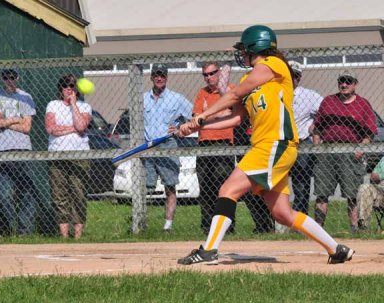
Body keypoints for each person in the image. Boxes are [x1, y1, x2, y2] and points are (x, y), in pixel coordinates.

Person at [175, 24, 354, 265]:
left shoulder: (274, 65)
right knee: (282, 213)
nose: (242, 54)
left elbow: (232, 96)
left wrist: (203, 116)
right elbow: (237, 118)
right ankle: (336, 249)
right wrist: (198, 126)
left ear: (256, 47)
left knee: (228, 190)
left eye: (245, 49)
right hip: (265, 147)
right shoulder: (249, 78)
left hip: (275, 144)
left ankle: (209, 250)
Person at [312, 71, 377, 233]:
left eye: (348, 81)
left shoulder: (363, 104)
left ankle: (354, 229)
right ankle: (318, 229)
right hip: (327, 151)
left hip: (351, 152)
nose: (344, 84)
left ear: (355, 84)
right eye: (342, 81)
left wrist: (360, 149)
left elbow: (370, 132)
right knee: (321, 193)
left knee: (352, 194)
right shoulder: (328, 102)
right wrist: (317, 148)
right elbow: (317, 128)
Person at [0, 68, 37, 236]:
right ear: (2, 78)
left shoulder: (25, 97)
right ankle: (10, 231)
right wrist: (15, 119)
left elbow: (27, 127)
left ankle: (25, 232)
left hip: (22, 149)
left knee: (26, 193)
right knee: (4, 195)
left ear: (18, 77)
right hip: (2, 150)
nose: (9, 80)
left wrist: (4, 120)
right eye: (6, 77)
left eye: (12, 77)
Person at [144, 63, 193, 232]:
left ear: (166, 77)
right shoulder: (142, 99)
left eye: (162, 75)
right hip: (148, 146)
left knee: (170, 186)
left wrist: (181, 130)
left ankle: (168, 225)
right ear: (151, 77)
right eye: (156, 75)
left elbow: (194, 116)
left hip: (168, 145)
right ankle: (142, 223)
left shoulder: (176, 98)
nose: (159, 78)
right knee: (145, 186)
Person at [45, 74, 92, 239]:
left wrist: (73, 104)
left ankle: (78, 237)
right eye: (65, 85)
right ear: (60, 89)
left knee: (78, 195)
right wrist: (74, 129)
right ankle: (64, 237)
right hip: (57, 155)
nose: (69, 89)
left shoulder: (84, 107)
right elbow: (51, 129)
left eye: (72, 86)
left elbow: (81, 125)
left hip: (79, 156)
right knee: (60, 196)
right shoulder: (53, 105)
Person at [193, 61, 237, 234]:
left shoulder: (229, 90)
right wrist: (216, 114)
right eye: (205, 74)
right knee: (205, 188)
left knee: (224, 187)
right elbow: (197, 118)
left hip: (223, 142)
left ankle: (227, 226)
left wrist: (207, 113)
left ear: (219, 73)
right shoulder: (202, 93)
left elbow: (230, 113)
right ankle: (207, 226)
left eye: (212, 73)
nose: (209, 77)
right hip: (204, 143)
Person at [289, 61, 323, 215]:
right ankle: (273, 225)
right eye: (289, 75)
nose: (292, 78)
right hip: (279, 143)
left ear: (300, 77)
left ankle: (299, 220)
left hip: (301, 144)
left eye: (295, 75)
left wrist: (316, 124)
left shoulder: (308, 95)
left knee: (301, 185)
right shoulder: (277, 93)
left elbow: (327, 110)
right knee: (275, 185)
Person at [356, 156, 384, 230]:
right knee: (365, 188)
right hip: (381, 193)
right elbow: (373, 176)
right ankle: (363, 225)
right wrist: (375, 176)